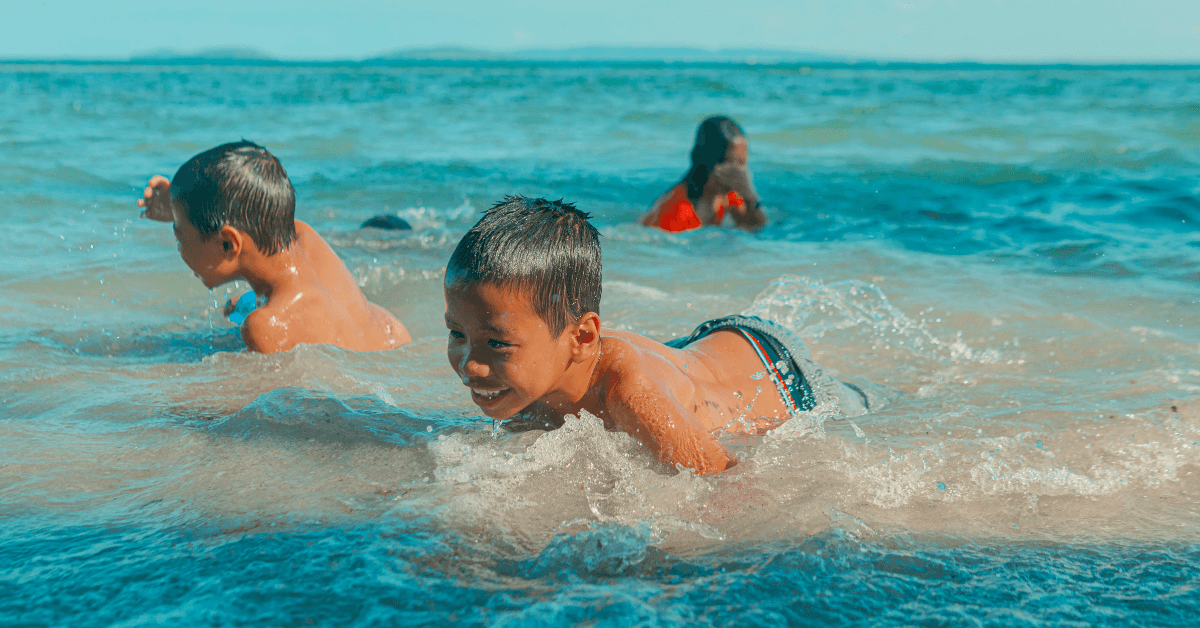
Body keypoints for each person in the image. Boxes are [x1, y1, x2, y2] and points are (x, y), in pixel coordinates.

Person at [444, 197, 869, 475]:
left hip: (779, 373)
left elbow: (726, 482)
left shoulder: (632, 398)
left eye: (495, 343)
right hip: (685, 355)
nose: (469, 365)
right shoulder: (533, 371)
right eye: (457, 333)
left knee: (871, 405)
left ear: (583, 337)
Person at [137, 140, 411, 353]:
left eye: (180, 237)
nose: (179, 248)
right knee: (241, 304)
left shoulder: (265, 327)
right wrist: (183, 207)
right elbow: (253, 212)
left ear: (228, 243)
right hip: (392, 336)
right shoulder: (304, 235)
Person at [641, 116, 767, 232]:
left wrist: (749, 195)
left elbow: (758, 228)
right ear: (710, 164)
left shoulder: (727, 196)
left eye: (743, 164)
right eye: (734, 165)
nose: (741, 174)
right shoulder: (676, 212)